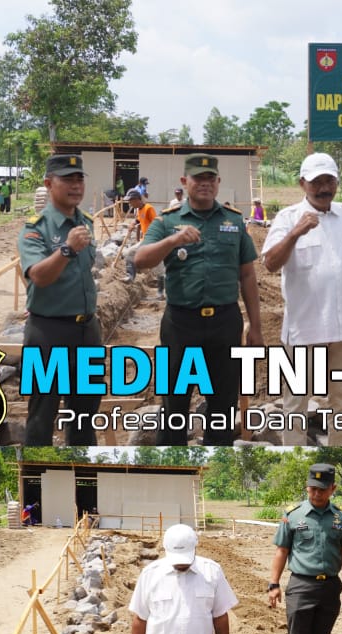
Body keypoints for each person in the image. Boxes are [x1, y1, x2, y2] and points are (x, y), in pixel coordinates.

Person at [134, 153, 263, 445]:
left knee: (223, 402)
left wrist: (255, 326)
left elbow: (247, 276)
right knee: (175, 402)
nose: (204, 184)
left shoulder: (233, 221)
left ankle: (216, 464)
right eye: (197, 179)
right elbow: (140, 259)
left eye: (210, 179)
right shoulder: (168, 221)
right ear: (184, 182)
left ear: (218, 183)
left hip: (225, 324)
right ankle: (171, 469)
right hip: (181, 324)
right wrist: (173, 241)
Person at [262, 152, 342, 445]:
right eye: (316, 182)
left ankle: (339, 460)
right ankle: (293, 464)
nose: (323, 188)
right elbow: (270, 263)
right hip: (303, 330)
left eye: (329, 180)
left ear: (336, 182)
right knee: (296, 403)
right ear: (302, 184)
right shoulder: (287, 218)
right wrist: (295, 233)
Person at [17, 153, 103, 445]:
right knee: (42, 417)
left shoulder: (86, 222)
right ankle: (36, 483)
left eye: (79, 178)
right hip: (48, 334)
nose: (75, 185)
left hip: (86, 332)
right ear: (49, 183)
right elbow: (38, 277)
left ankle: (84, 480)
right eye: (67, 179)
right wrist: (66, 250)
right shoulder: (36, 228)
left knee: (85, 417)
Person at [268, 462, 342, 634]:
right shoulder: (293, 514)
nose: (316, 494)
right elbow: (281, 550)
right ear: (307, 487)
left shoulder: (340, 517)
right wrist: (274, 584)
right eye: (312, 488)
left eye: (322, 489)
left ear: (333, 489)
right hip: (301, 587)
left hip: (330, 587)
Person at [123, 187, 158, 283]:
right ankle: (151, 279)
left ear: (136, 200)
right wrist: (133, 224)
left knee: (129, 253)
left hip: (151, 239)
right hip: (145, 239)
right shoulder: (139, 210)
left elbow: (157, 223)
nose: (129, 204)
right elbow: (138, 220)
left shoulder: (148, 208)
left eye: (130, 201)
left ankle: (130, 276)